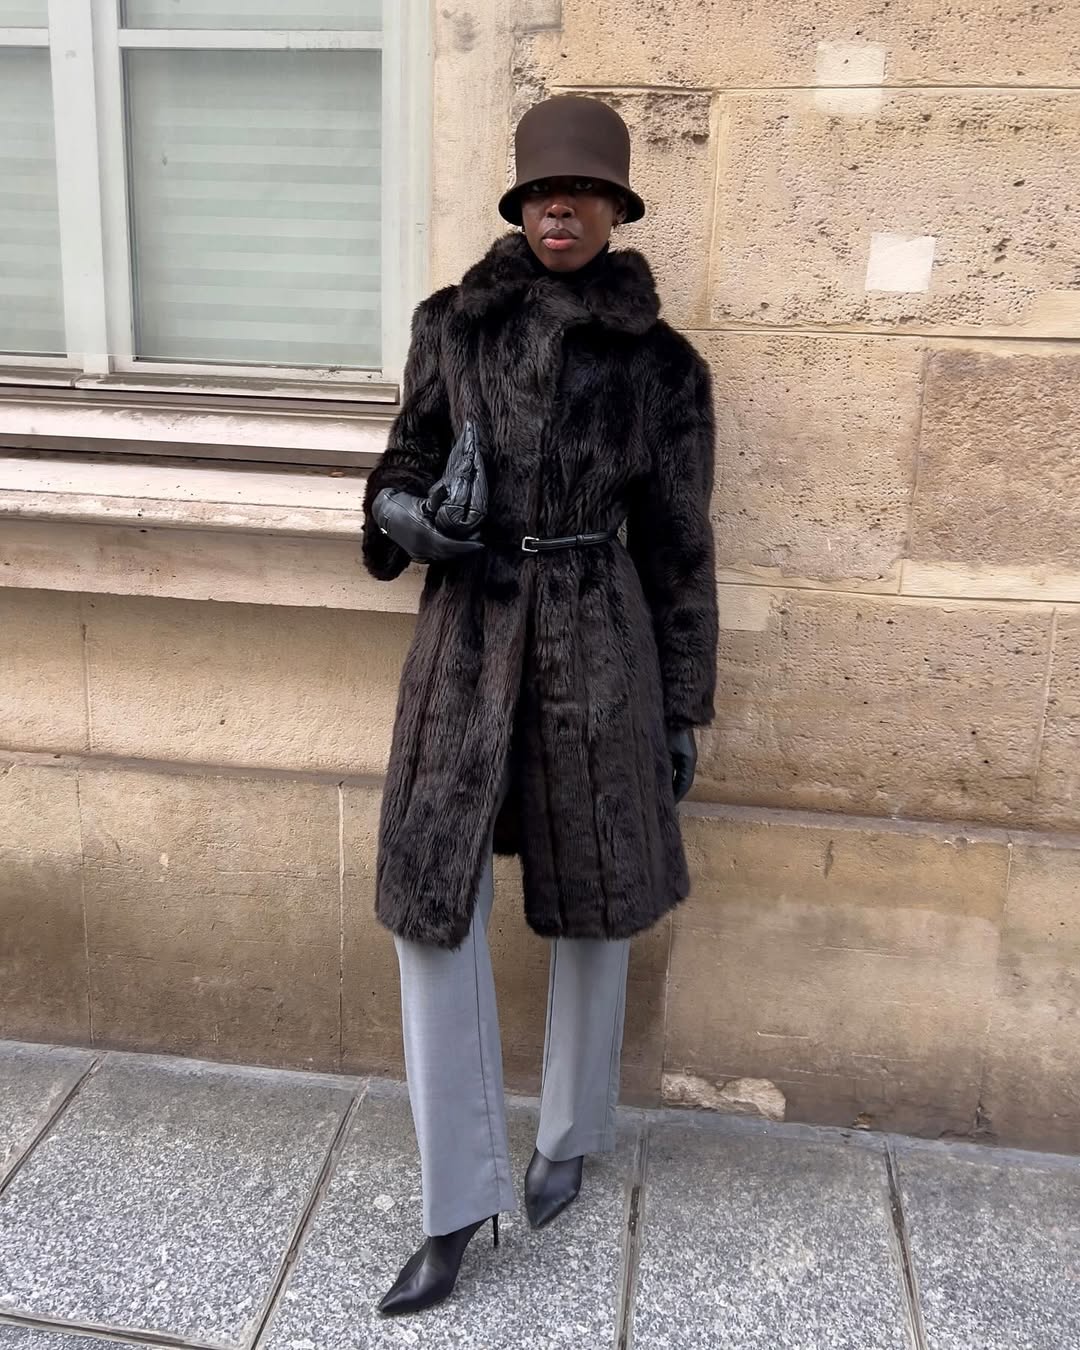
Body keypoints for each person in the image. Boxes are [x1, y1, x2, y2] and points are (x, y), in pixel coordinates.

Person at [361, 94, 718, 1317]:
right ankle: (455, 1203)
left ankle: (568, 1133)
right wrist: (406, 518)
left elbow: (678, 548)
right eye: (539, 192)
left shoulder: (663, 369)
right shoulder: (450, 327)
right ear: (517, 205)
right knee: (432, 903)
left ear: (616, 207)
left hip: (597, 637)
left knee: (599, 897)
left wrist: (681, 705)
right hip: (467, 641)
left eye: (583, 192)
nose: (558, 208)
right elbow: (399, 464)